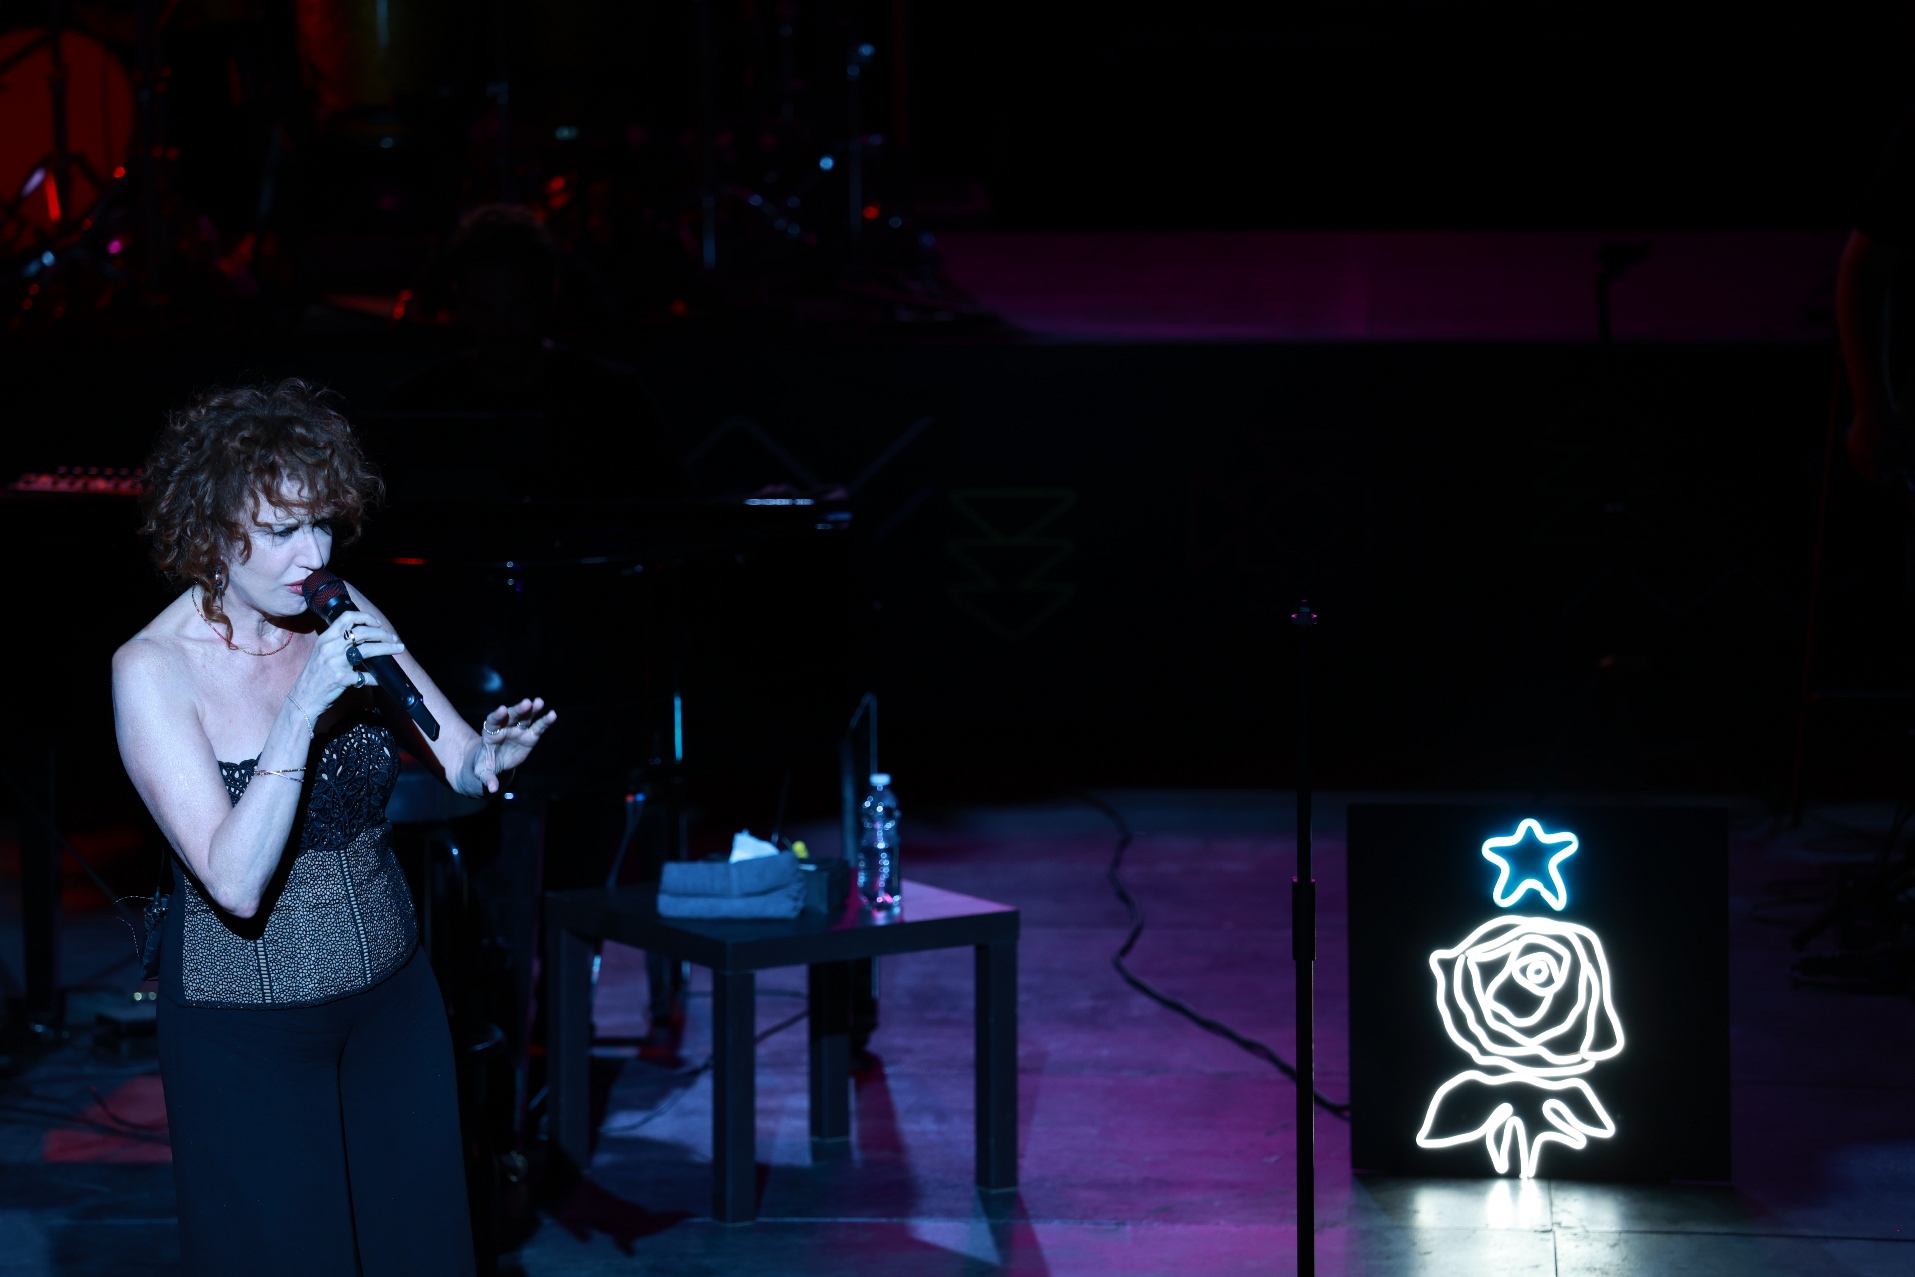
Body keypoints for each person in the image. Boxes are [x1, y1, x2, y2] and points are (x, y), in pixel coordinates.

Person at [111, 380, 557, 1276]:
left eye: (321, 525)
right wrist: (301, 712)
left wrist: (490, 757)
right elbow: (234, 882)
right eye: (281, 531)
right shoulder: (152, 670)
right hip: (248, 1034)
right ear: (212, 529)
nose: (313, 554)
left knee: (421, 1251)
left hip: (392, 1006)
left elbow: (456, 757)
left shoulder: (337, 606)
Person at [381, 204, 688, 502]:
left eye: (519, 307)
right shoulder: (416, 403)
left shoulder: (614, 400)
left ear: (550, 295)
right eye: (486, 308)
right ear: (460, 298)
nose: (503, 326)